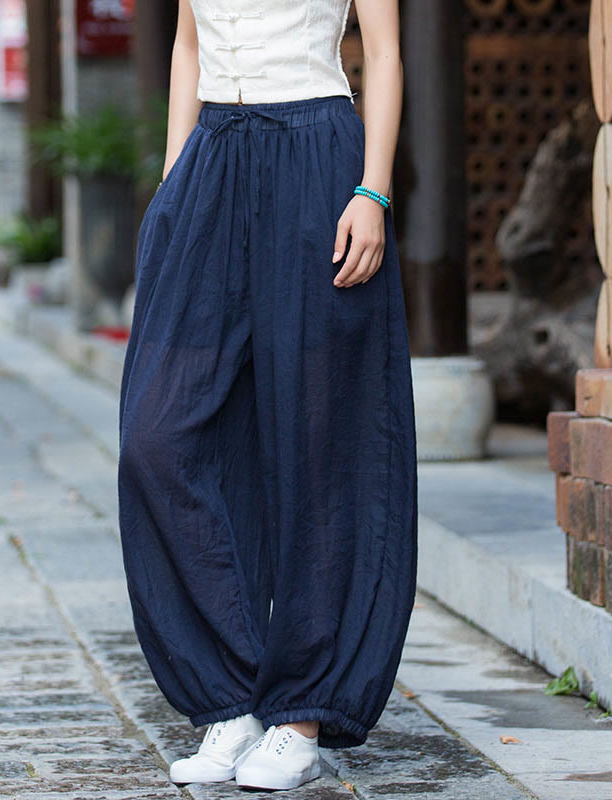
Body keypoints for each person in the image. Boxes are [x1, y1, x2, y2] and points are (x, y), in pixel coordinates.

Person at [117, 0, 418, 791]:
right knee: (159, 432)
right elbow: (188, 43)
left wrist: (374, 190)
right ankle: (230, 700)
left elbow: (382, 53)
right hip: (212, 160)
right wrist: (174, 173)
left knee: (319, 442)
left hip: (319, 156)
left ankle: (300, 716)